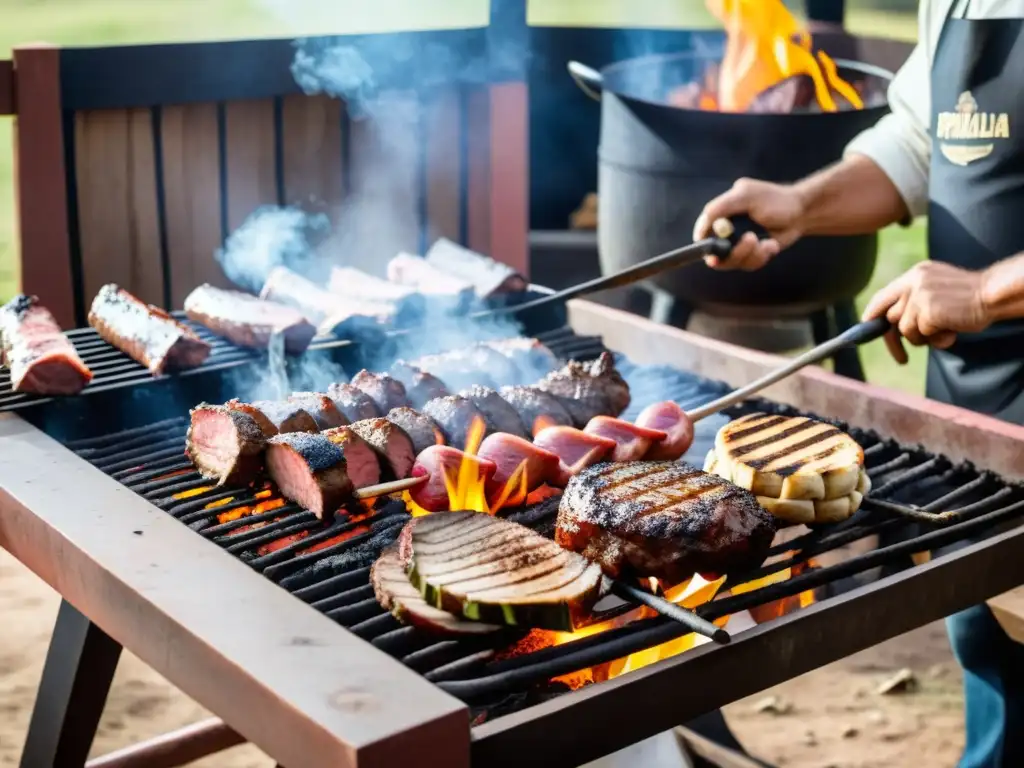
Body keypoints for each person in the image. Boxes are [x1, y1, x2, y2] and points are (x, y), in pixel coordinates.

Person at [693, 1, 1024, 766]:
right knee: (992, 662)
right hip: (980, 413)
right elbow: (923, 140)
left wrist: (982, 294)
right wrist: (801, 206)